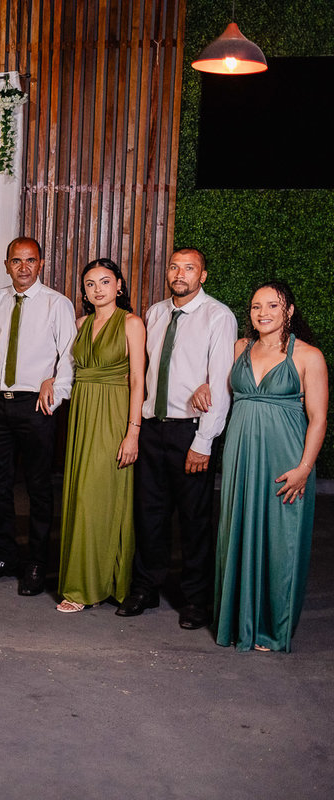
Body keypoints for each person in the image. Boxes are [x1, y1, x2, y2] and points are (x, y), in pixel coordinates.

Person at [116, 247, 236, 630]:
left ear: (203, 276)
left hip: (190, 430)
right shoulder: (155, 313)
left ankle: (196, 599)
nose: (180, 273)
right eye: (174, 267)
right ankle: (146, 588)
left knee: (194, 519)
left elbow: (220, 382)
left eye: (189, 268)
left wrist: (204, 441)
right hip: (153, 427)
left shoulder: (218, 316)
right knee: (149, 515)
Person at [215, 282, 327, 652]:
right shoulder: (239, 348)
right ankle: (237, 620)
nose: (263, 313)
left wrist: (305, 468)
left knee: (281, 540)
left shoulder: (309, 355)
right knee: (238, 531)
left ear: (289, 311)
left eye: (272, 306)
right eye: (255, 307)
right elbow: (225, 394)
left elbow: (319, 417)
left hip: (286, 457)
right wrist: (204, 389)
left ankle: (268, 627)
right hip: (241, 454)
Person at [0, 237, 76, 596]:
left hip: (36, 405)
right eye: (16, 261)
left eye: (30, 261)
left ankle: (36, 562)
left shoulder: (57, 304)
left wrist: (56, 392)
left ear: (41, 264)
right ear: (6, 264)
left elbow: (68, 355)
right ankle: (4, 554)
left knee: (37, 487)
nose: (23, 267)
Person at [56, 259, 146, 612]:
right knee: (79, 494)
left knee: (100, 496)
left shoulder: (132, 323)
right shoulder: (80, 324)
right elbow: (65, 368)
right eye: (90, 284)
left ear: (119, 286)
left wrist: (133, 432)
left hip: (113, 412)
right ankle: (87, 579)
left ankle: (89, 586)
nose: (97, 289)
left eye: (105, 282)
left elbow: (138, 379)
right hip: (81, 413)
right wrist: (51, 380)